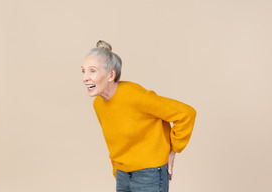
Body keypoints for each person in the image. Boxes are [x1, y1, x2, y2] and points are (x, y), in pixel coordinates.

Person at [81, 40, 196, 192]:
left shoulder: (134, 95)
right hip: (123, 175)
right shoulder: (99, 104)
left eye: (92, 71)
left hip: (149, 174)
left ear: (111, 75)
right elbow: (115, 140)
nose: (85, 77)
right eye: (83, 71)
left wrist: (173, 149)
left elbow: (186, 113)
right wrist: (117, 168)